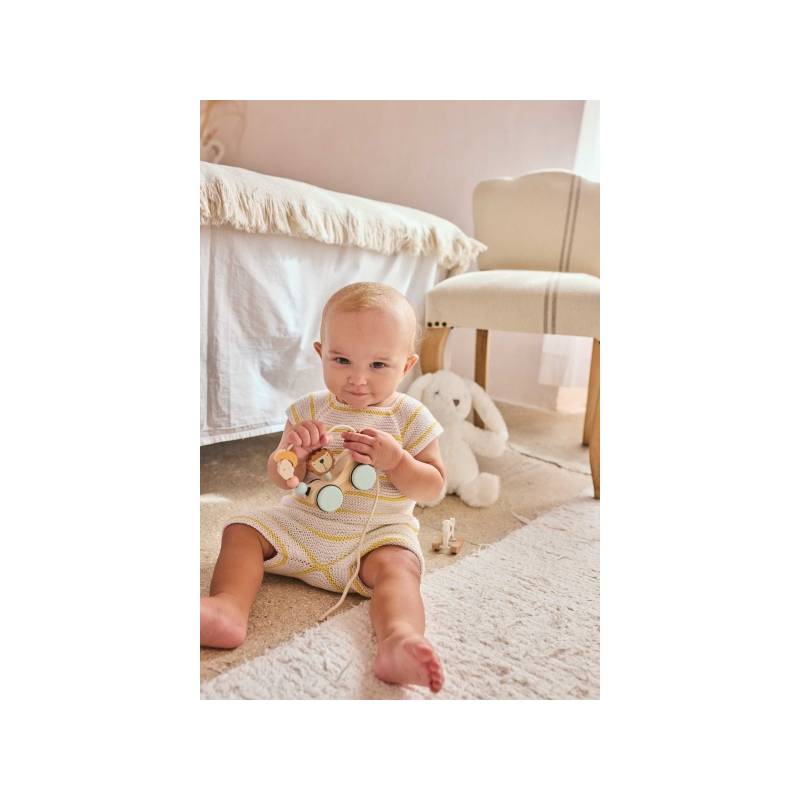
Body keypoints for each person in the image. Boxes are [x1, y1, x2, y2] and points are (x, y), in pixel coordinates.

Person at [200, 282, 447, 692]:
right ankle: (228, 609)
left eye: (378, 365)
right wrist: (294, 455)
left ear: (406, 366)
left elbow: (433, 486)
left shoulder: (411, 417)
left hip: (374, 538)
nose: (358, 379)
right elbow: (280, 475)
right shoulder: (309, 409)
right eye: (342, 360)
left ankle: (398, 638)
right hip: (303, 525)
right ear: (321, 353)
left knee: (401, 568)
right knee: (240, 530)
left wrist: (398, 461)